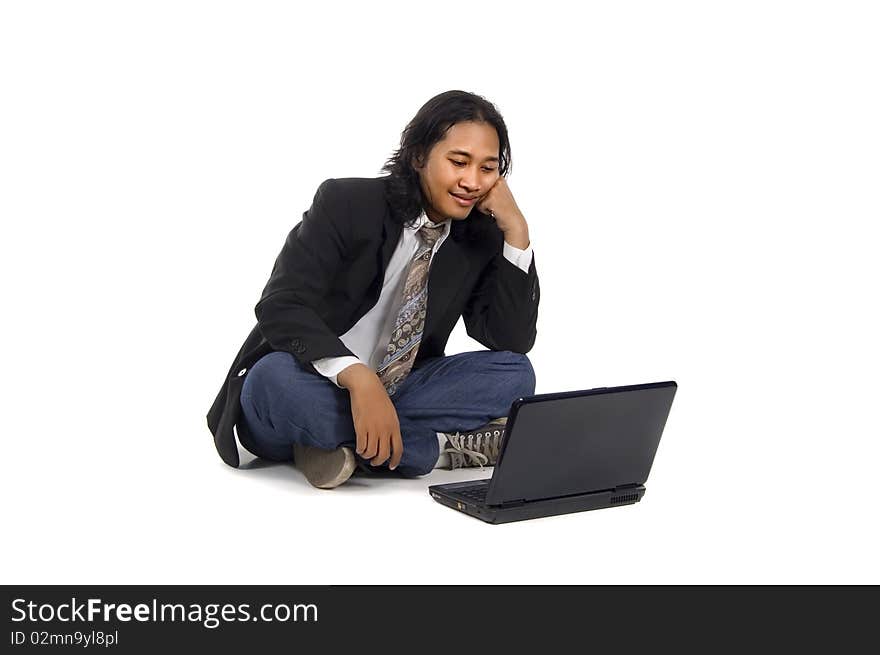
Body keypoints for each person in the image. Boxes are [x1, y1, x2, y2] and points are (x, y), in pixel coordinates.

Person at [206, 90, 540, 488]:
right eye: (459, 162)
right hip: (309, 378)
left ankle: (334, 444)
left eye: (487, 168)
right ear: (418, 156)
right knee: (270, 378)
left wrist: (516, 233)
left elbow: (509, 339)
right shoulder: (346, 203)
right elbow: (281, 305)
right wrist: (356, 377)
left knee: (515, 374)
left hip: (400, 388)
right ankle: (435, 450)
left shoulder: (477, 235)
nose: (471, 181)